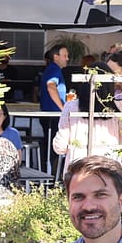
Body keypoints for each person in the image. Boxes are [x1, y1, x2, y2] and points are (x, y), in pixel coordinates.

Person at [52, 61, 122, 167]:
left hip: (79, 168)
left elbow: (60, 146)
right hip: (110, 167)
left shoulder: (71, 107)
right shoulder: (120, 106)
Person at [40, 44, 70, 173]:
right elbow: (51, 87)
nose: (67, 58)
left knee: (51, 146)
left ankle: (51, 176)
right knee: (55, 148)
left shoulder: (52, 69)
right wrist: (63, 108)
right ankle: (53, 178)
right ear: (56, 57)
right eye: (65, 56)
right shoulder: (54, 70)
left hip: (51, 114)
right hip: (53, 115)